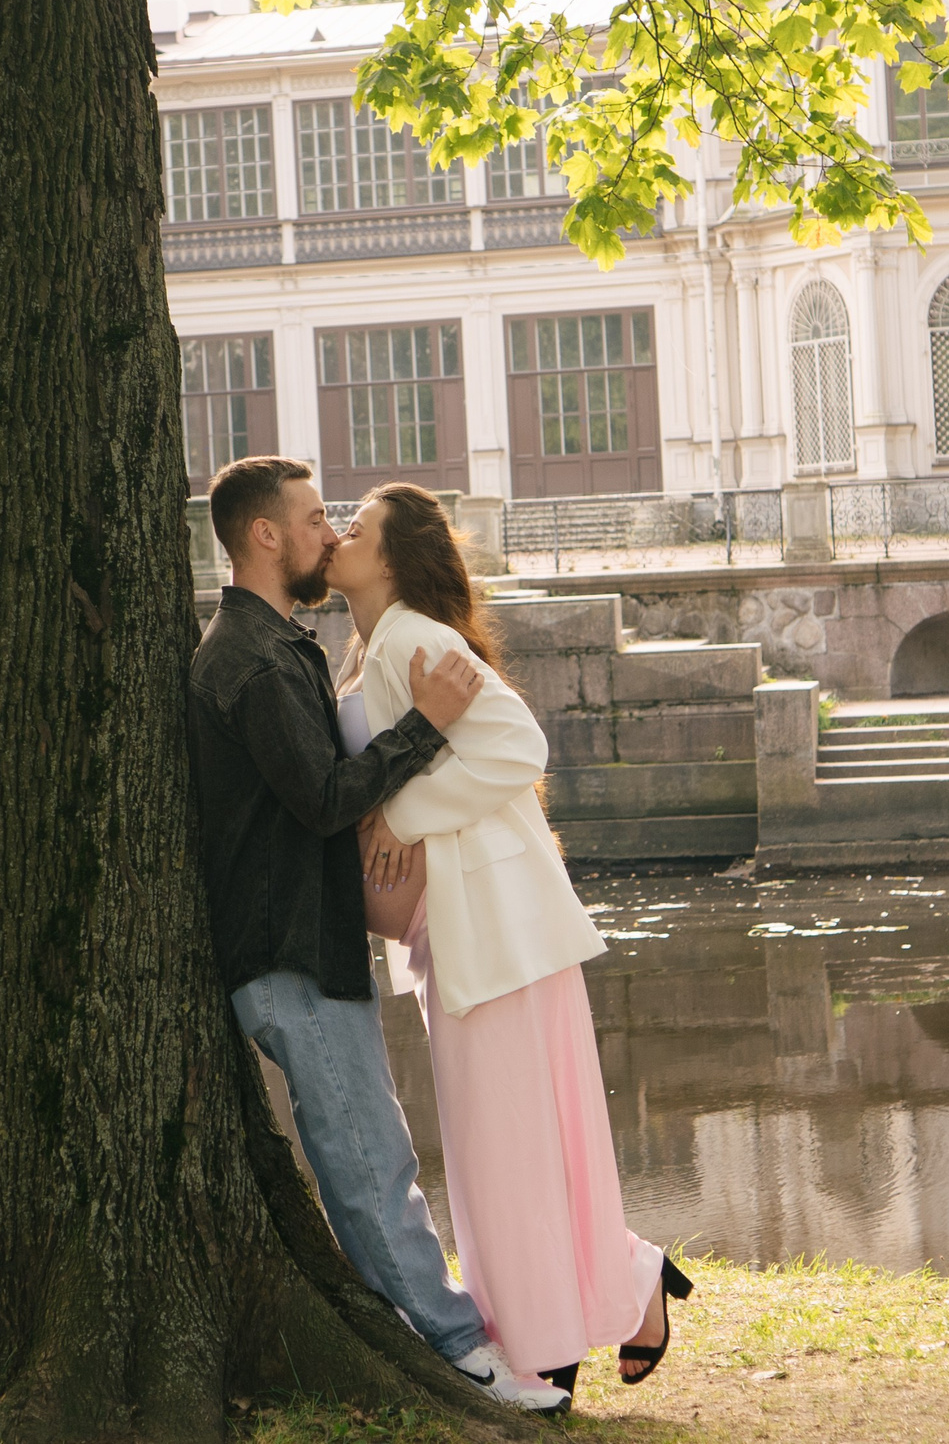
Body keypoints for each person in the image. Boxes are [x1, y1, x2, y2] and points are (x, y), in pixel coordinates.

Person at [187, 455, 569, 1416]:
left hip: (308, 947)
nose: (329, 532)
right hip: (286, 955)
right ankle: (461, 1354)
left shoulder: (283, 648)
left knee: (372, 1152)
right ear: (265, 535)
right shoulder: (251, 658)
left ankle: (429, 1337)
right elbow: (321, 798)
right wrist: (427, 729)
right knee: (370, 1161)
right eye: (316, 518)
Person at [326, 482, 691, 1402]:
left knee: (514, 1148)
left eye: (355, 528)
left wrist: (402, 817)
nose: (338, 535)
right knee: (516, 1146)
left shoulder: (413, 637)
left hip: (498, 928)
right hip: (467, 930)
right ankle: (602, 1297)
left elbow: (520, 745)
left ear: (396, 555)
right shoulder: (374, 645)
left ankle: (547, 1337)